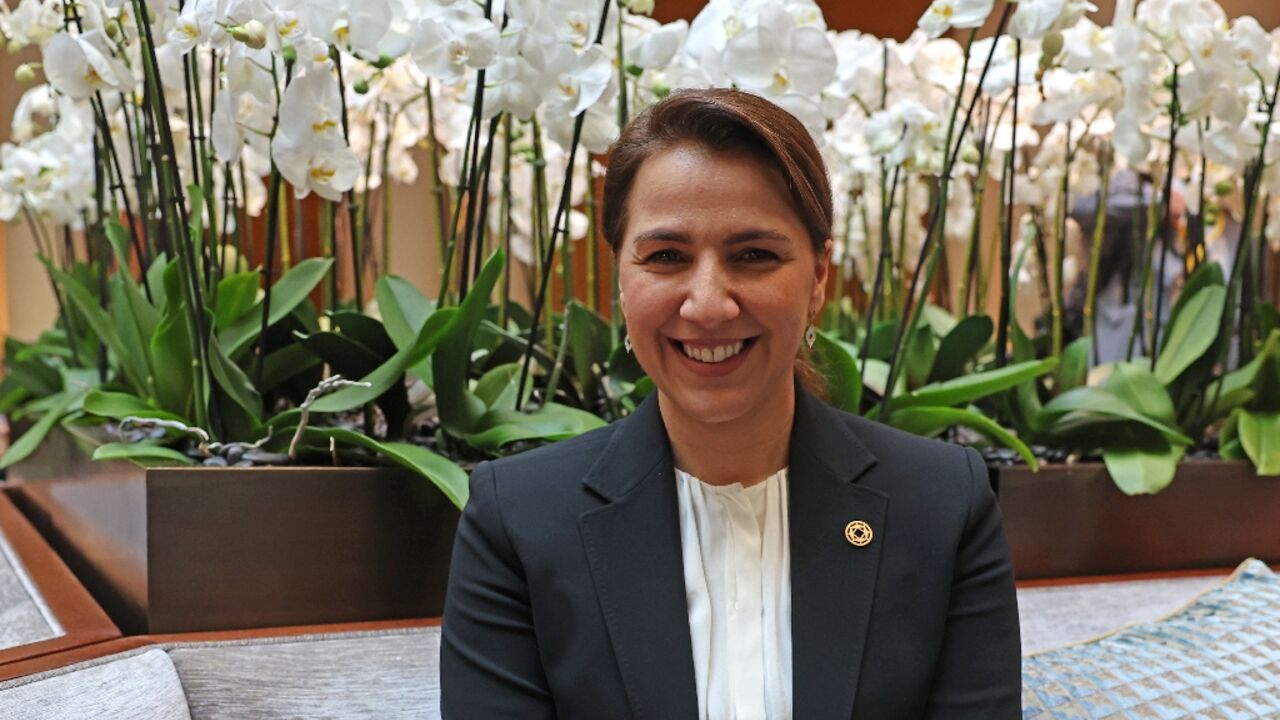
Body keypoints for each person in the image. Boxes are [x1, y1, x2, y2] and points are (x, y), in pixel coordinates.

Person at [439, 88, 1021, 719]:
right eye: (666, 257)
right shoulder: (519, 521)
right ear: (620, 279)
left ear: (819, 277)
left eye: (754, 255)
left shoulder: (941, 507)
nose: (709, 304)